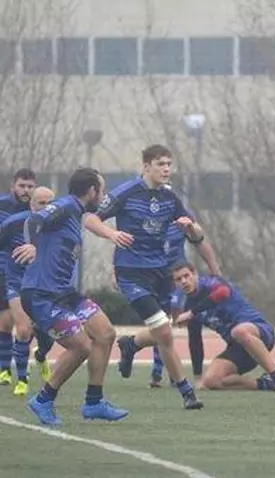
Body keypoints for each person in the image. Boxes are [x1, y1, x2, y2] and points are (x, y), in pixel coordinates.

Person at [84, 144, 203, 410]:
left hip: (161, 272)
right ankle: (187, 392)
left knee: (164, 330)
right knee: (164, 332)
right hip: (132, 273)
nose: (166, 169)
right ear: (146, 166)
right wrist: (112, 234)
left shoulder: (170, 197)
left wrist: (191, 229)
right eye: (161, 164)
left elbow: (197, 234)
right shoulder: (126, 192)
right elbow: (90, 219)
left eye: (169, 164)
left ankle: (131, 345)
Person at [22, 168, 129, 426]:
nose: (103, 196)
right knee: (81, 346)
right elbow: (34, 221)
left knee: (105, 333)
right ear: (91, 191)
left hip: (64, 292)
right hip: (41, 294)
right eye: (101, 190)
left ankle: (94, 402)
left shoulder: (76, 213)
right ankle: (43, 399)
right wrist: (32, 244)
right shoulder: (66, 206)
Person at [171, 262, 275, 391]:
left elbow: (224, 292)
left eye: (186, 276)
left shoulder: (211, 282)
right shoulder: (189, 305)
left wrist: (192, 312)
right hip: (238, 347)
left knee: (238, 332)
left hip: (259, 333)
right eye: (178, 279)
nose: (184, 281)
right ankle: (266, 384)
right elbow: (195, 341)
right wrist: (198, 378)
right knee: (211, 381)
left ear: (195, 274)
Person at [150, 200, 222, 388]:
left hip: (179, 276)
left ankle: (193, 376)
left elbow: (199, 238)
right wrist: (117, 271)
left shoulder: (180, 212)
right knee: (160, 322)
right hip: (155, 276)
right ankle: (157, 368)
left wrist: (215, 270)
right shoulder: (146, 216)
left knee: (187, 319)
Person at [0, 187, 56, 396]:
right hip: (18, 283)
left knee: (49, 334)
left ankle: (41, 354)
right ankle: (22, 379)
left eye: (50, 203)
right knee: (23, 329)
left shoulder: (60, 225)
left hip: (45, 284)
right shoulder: (14, 223)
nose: (46, 207)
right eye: (41, 203)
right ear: (31, 204)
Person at [0, 169, 36, 386]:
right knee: (5, 322)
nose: (26, 190)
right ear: (13, 186)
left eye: (30, 186)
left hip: (31, 274)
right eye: (22, 185)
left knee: (27, 325)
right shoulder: (2, 206)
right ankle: (4, 369)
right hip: (3, 270)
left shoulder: (38, 209)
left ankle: (22, 362)